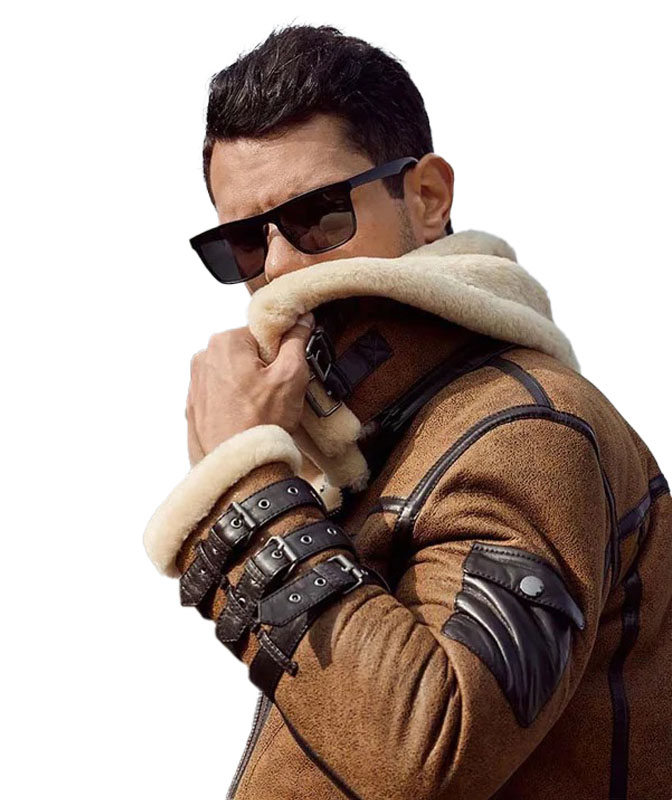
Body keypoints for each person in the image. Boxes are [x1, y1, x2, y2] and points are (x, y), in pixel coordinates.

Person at [142, 23, 671, 800]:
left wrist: (242, 491)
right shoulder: (376, 450)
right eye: (246, 243)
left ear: (426, 199)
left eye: (320, 216)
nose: (280, 266)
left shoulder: (526, 428)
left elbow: (430, 753)